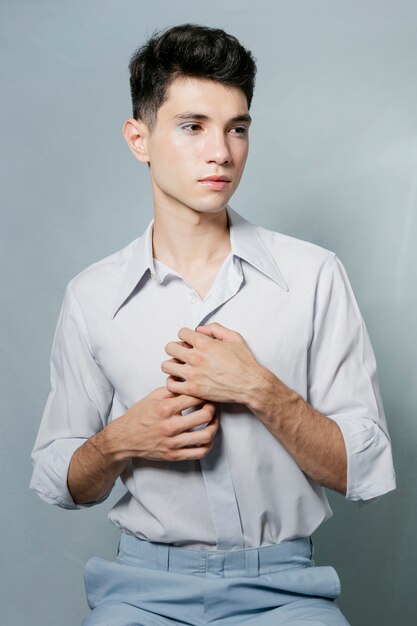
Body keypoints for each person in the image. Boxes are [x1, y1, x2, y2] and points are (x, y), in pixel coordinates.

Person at [30, 23, 396, 626]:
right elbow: (59, 482)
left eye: (238, 128)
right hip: (140, 590)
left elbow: (365, 469)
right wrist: (122, 438)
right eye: (192, 126)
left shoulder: (313, 275)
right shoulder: (92, 296)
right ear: (138, 138)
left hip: (286, 591)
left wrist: (259, 389)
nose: (221, 152)